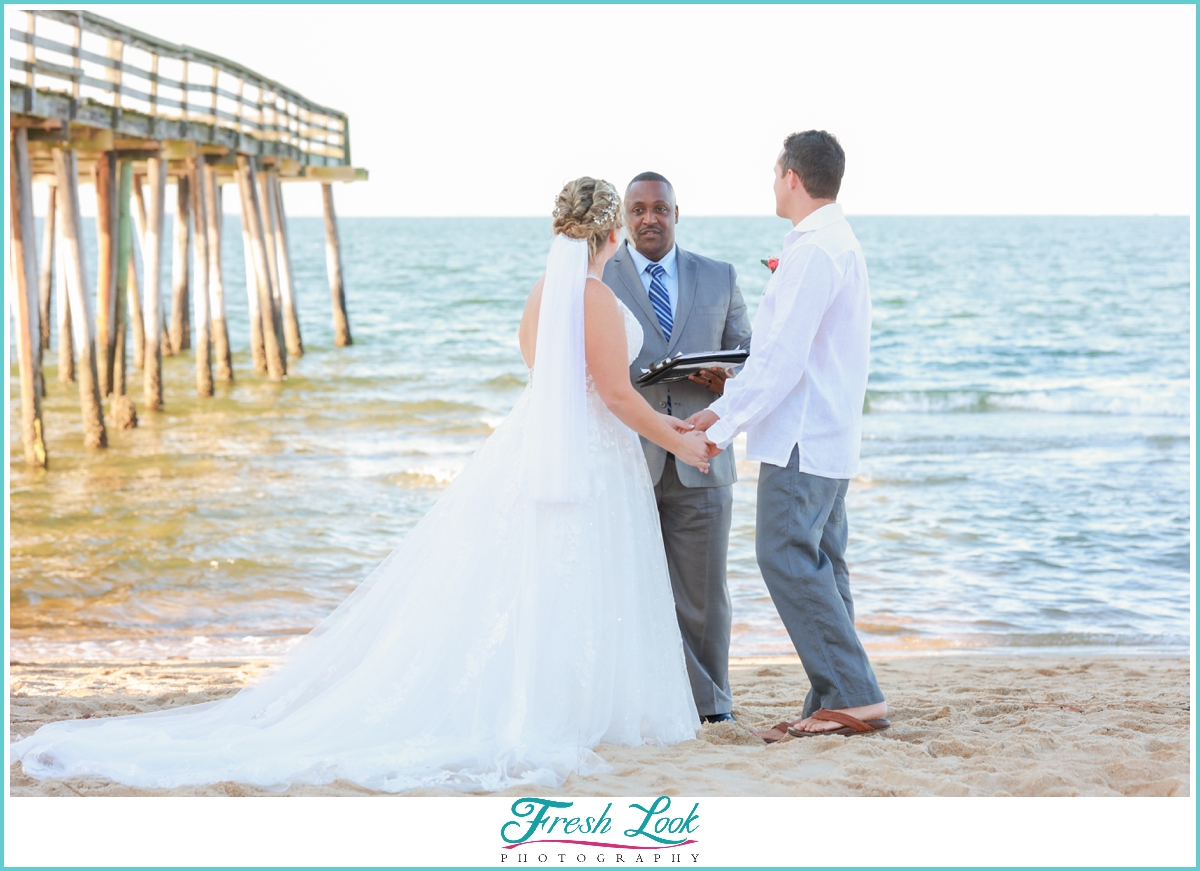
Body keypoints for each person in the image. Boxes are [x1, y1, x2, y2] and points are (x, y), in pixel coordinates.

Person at [10, 178, 716, 792]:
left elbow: (548, 382)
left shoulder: (542, 294)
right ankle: (569, 706)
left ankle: (552, 696)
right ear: (612, 231)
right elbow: (618, 400)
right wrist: (680, 436)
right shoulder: (594, 296)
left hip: (540, 452)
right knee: (575, 581)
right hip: (589, 461)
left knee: (539, 582)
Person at [688, 132, 890, 740]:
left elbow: (782, 361)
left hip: (803, 438)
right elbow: (785, 357)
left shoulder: (814, 251)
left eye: (776, 173)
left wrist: (721, 425)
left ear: (791, 177)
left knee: (784, 555)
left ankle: (852, 696)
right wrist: (727, 396)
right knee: (822, 565)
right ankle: (833, 700)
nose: (774, 183)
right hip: (828, 434)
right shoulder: (836, 242)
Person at [602, 172, 752, 723]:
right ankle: (640, 704)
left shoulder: (719, 276)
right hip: (623, 458)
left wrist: (724, 378)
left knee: (704, 595)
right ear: (624, 217)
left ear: (676, 213)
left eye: (660, 209)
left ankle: (711, 707)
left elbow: (751, 359)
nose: (649, 218)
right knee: (626, 590)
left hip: (702, 453)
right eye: (638, 209)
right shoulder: (598, 278)